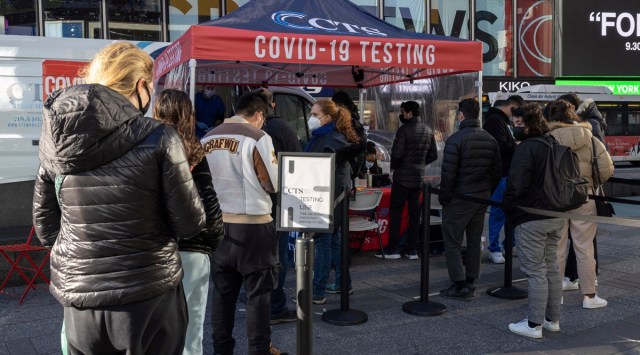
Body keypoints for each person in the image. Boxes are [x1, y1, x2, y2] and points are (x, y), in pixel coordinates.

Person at [33, 42, 205, 354]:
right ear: (142, 85)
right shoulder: (159, 137)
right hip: (148, 292)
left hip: (81, 301)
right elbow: (190, 223)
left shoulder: (56, 140)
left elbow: (46, 230)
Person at [202, 92, 282, 355]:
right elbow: (272, 183)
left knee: (222, 295)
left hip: (218, 225)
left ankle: (221, 349)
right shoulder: (259, 137)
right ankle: (259, 350)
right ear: (259, 115)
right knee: (258, 295)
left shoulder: (208, 138)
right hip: (254, 226)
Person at [153, 89, 224, 354]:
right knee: (193, 332)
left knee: (159, 332)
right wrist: (211, 242)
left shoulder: (149, 148)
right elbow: (210, 201)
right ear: (188, 115)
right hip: (195, 249)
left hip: (158, 251)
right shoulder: (195, 149)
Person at [503, 104, 566, 339]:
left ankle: (533, 325)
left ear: (528, 124)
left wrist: (510, 209)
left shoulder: (527, 148)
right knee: (551, 267)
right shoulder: (552, 143)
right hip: (556, 214)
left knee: (536, 272)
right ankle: (553, 320)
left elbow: (516, 185)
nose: (515, 127)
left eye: (518, 123)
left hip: (531, 216)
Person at [547, 99, 614, 309]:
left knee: (555, 249)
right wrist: (591, 184)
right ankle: (589, 296)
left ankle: (555, 295)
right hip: (585, 197)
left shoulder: (547, 139)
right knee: (584, 248)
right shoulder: (591, 139)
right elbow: (607, 169)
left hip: (555, 199)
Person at [439, 98, 501, 299]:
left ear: (461, 115)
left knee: (453, 241)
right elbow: (496, 171)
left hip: (459, 196)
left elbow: (448, 174)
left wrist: (445, 198)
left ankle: (458, 283)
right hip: (481, 197)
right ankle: (471, 280)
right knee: (474, 240)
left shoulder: (456, 139)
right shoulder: (490, 139)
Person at [253, 87, 303, 325]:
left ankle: (261, 300)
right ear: (272, 105)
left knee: (260, 254)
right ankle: (276, 305)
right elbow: (298, 159)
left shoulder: (250, 130)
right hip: (279, 200)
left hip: (255, 203)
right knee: (278, 255)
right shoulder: (281, 127)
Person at [305, 99, 361, 302]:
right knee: (334, 242)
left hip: (327, 197)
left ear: (327, 117)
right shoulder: (334, 136)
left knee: (323, 243)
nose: (311, 118)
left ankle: (317, 292)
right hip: (335, 196)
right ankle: (343, 283)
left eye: (315, 115)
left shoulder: (327, 139)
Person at [375, 100, 437, 260]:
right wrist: (419, 164)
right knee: (415, 215)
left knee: (396, 213)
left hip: (402, 178)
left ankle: (393, 249)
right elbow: (433, 154)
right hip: (418, 179)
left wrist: (394, 168)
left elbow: (396, 154)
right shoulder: (428, 130)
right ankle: (412, 250)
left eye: (402, 111)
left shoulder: (404, 130)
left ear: (409, 113)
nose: (401, 115)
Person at [483, 95, 525, 264]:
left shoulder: (499, 120)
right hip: (501, 173)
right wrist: (516, 145)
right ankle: (494, 248)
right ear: (512, 106)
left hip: (507, 173)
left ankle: (506, 245)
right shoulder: (495, 121)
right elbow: (500, 145)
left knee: (507, 211)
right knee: (498, 211)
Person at [331, 91, 368, 181]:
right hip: (347, 172)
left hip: (346, 173)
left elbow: (358, 149)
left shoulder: (349, 123)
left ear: (341, 105)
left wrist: (353, 172)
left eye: (335, 105)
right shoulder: (353, 121)